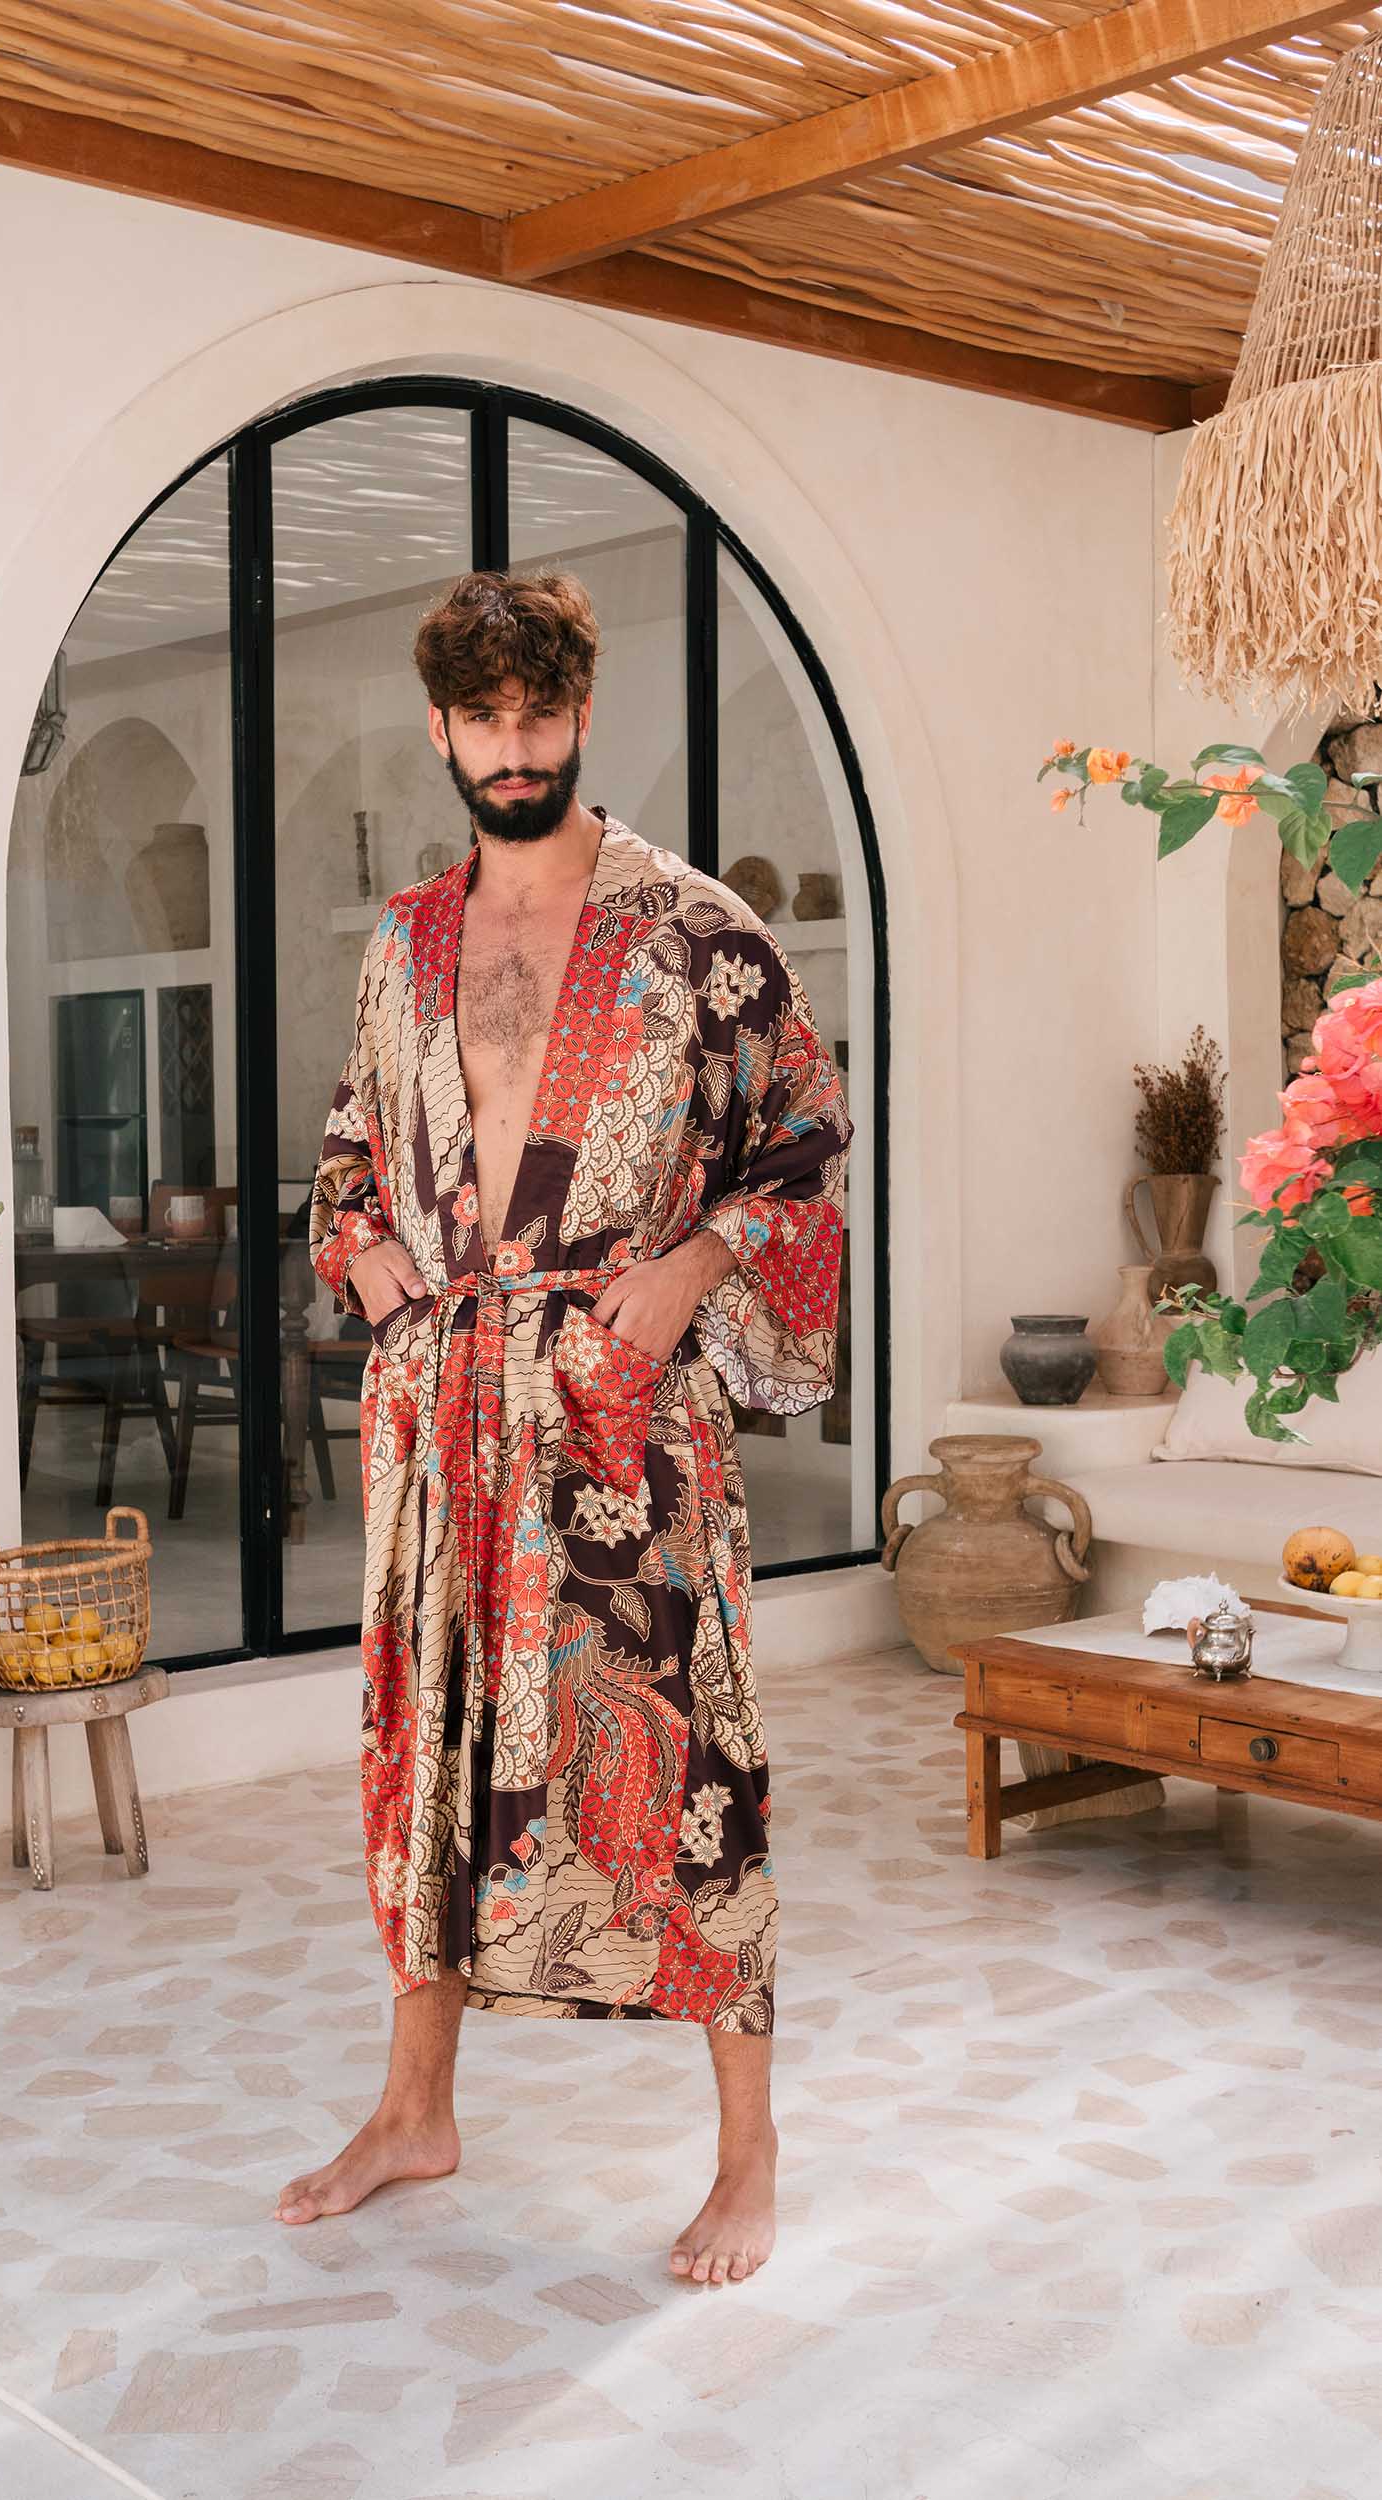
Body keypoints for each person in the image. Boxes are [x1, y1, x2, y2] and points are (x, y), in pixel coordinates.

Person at [282, 569, 852, 2286]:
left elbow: (806, 1138)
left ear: (581, 715)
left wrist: (693, 1264)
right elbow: (347, 1153)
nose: (514, 749)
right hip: (440, 1410)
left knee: (685, 1759)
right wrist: (363, 1249)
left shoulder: (697, 930)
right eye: (485, 723)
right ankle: (414, 2110)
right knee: (432, 1751)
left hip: (621, 1415)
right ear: (444, 729)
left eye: (542, 718)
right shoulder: (406, 940)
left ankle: (749, 2155)